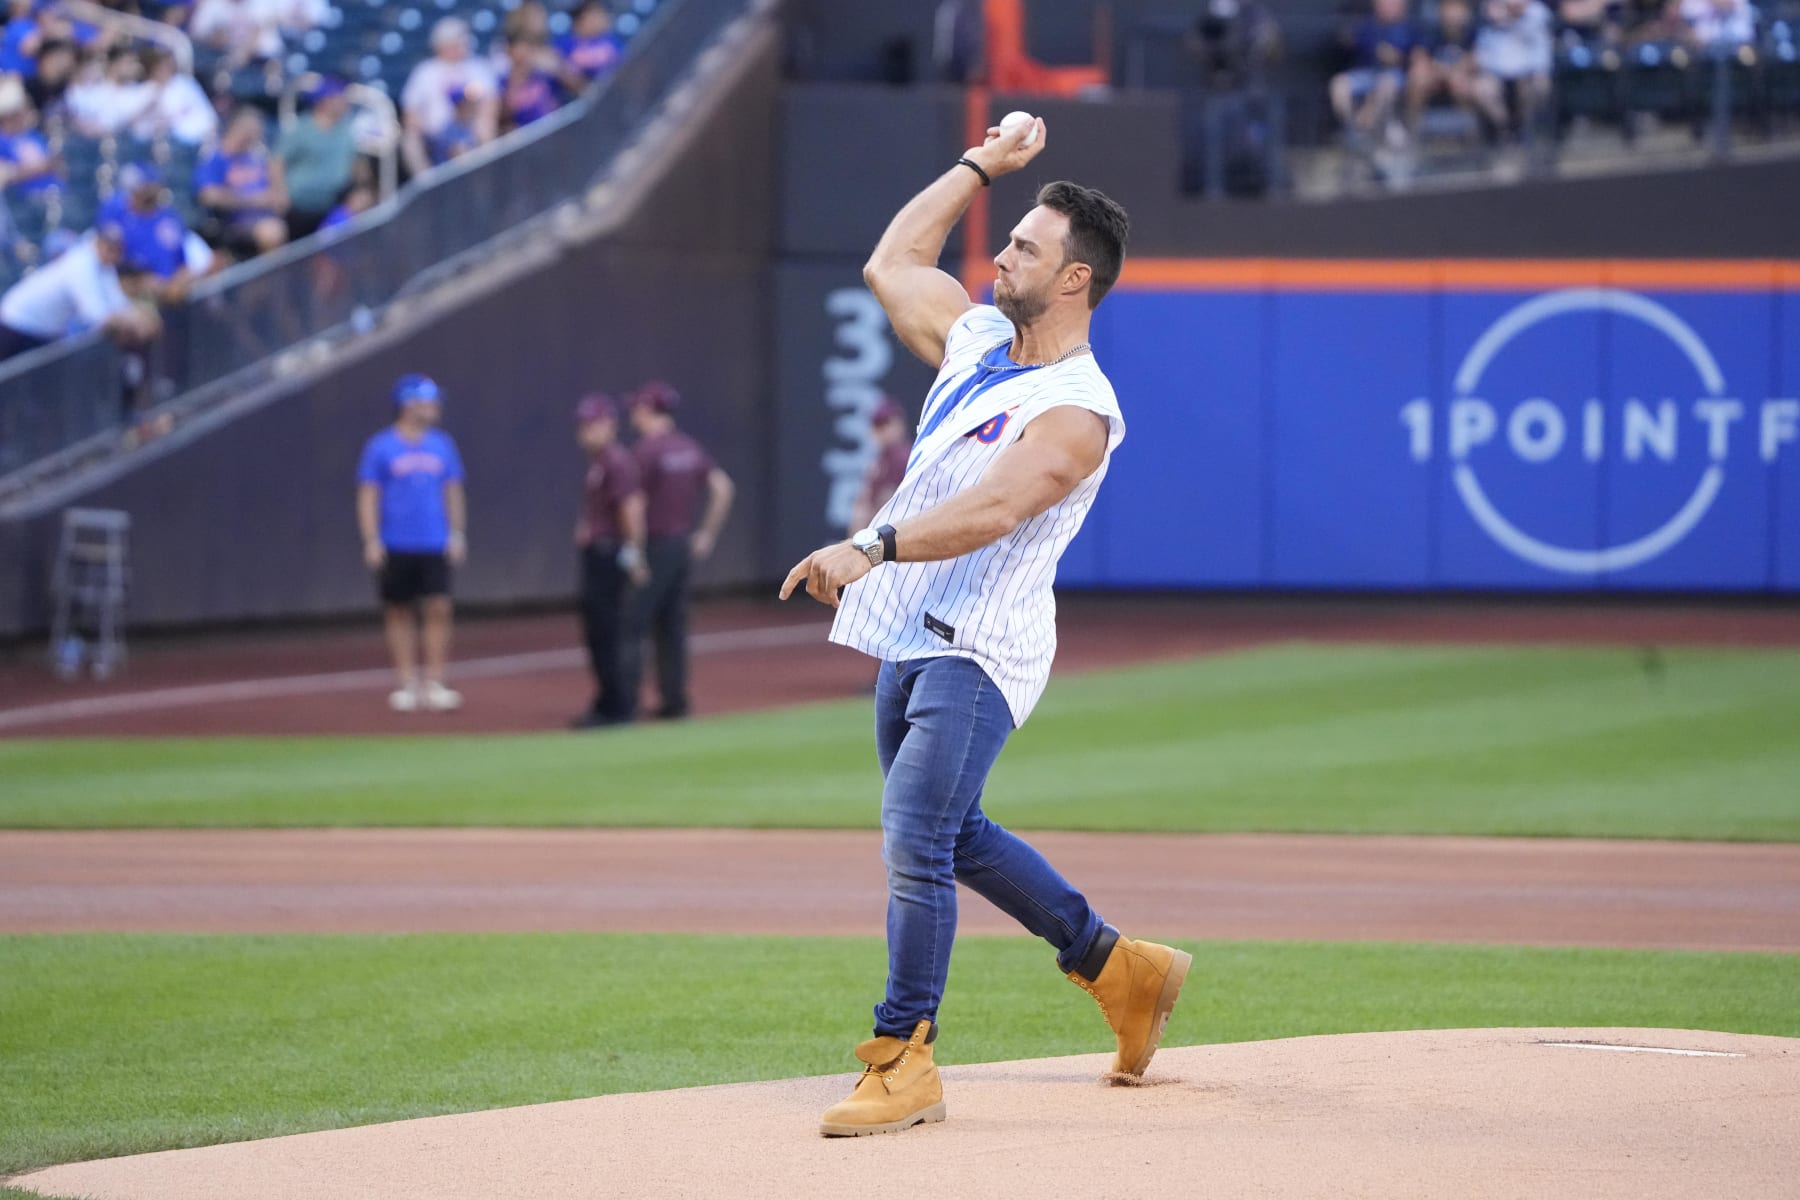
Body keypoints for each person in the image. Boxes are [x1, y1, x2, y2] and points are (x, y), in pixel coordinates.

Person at [778, 119, 1190, 1137]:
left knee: (916, 834)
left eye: (1027, 248)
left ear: (1074, 283)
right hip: (911, 633)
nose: (1002, 253)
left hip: (980, 647)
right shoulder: (974, 342)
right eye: (1008, 237)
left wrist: (867, 545)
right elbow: (892, 262)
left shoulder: (1080, 408)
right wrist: (978, 166)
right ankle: (1118, 968)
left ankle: (904, 1052)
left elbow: (996, 510)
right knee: (952, 833)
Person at [356, 374, 467, 714]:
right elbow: (368, 495)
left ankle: (434, 681)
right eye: (428, 402)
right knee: (399, 610)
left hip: (434, 540)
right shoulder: (380, 447)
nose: (435, 408)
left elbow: (453, 490)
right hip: (396, 541)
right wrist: (372, 539)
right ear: (409, 405)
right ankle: (406, 682)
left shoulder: (442, 444)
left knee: (438, 607)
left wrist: (457, 532)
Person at [623, 380, 734, 721]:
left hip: (656, 545)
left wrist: (635, 552)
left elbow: (636, 506)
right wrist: (705, 535)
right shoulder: (687, 448)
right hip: (682, 546)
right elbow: (722, 487)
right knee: (672, 625)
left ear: (646, 410)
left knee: (632, 624)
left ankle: (624, 704)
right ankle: (675, 701)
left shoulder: (646, 452)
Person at [570, 393, 648, 730]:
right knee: (598, 631)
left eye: (593, 424)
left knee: (609, 631)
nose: (585, 432)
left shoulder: (616, 462)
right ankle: (607, 699)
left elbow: (631, 509)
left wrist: (632, 554)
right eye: (583, 425)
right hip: (598, 553)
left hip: (610, 555)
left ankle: (617, 705)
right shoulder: (601, 463)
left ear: (609, 425)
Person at [0, 223, 159, 359]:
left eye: (117, 249)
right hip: (16, 322)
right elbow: (96, 316)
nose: (113, 253)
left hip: (43, 331)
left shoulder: (104, 266)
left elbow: (116, 301)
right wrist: (133, 321)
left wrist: (140, 315)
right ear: (98, 242)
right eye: (109, 247)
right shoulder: (81, 263)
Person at [100, 162, 212, 303]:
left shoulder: (169, 218)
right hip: (132, 293)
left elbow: (183, 261)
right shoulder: (115, 213)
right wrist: (141, 281)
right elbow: (108, 259)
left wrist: (178, 282)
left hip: (174, 291)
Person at [400, 17, 498, 176]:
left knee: (484, 125)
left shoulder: (477, 67)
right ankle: (427, 182)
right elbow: (410, 112)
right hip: (435, 136)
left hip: (470, 129)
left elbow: (491, 103)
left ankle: (488, 173)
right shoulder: (425, 71)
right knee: (410, 138)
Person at [197, 107, 290, 257]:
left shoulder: (256, 156)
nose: (257, 135)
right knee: (271, 232)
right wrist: (252, 200)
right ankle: (272, 280)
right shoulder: (217, 158)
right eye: (253, 130)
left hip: (267, 217)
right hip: (234, 223)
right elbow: (208, 195)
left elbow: (277, 192)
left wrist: (278, 192)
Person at [277, 76, 359, 239]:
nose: (344, 102)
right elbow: (277, 160)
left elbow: (354, 166)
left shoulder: (346, 131)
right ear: (326, 100)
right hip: (297, 204)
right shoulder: (302, 127)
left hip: (333, 203)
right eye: (339, 97)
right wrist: (279, 192)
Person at [1330, 0, 1417, 140]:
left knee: (1386, 83)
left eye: (1393, 3)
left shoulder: (1410, 28)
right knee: (1340, 83)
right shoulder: (1367, 25)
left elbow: (1414, 56)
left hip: (1397, 76)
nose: (1387, 6)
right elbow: (1351, 41)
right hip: (1367, 73)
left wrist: (1397, 57)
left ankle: (1367, 128)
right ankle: (1353, 129)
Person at [848, 397, 912, 534]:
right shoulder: (878, 462)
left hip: (899, 534)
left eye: (886, 424)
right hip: (880, 537)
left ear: (898, 423)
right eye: (878, 426)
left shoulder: (907, 458)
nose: (883, 430)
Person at [556, 1, 625, 85]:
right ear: (582, 18)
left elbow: (624, 67)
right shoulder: (563, 45)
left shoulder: (610, 40)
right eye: (594, 14)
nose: (601, 18)